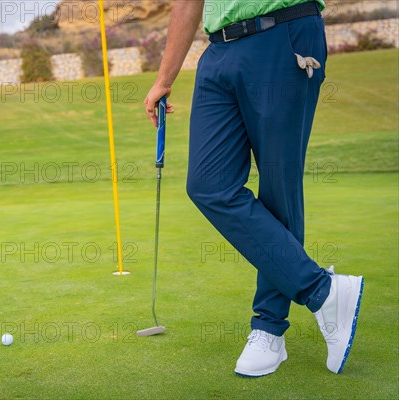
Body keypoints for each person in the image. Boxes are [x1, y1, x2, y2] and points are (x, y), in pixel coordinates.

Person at [144, 0, 364, 377]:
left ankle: (268, 329)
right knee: (208, 185)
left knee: (279, 187)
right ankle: (322, 291)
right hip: (219, 50)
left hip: (283, 33)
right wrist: (165, 78)